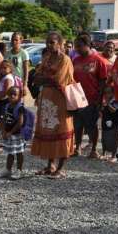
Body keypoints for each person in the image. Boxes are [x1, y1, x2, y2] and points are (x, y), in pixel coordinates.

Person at [31, 31, 75, 179]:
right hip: (47, 100)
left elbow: (58, 80)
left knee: (62, 129)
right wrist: (45, 78)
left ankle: (61, 168)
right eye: (47, 42)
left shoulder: (65, 59)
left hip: (60, 101)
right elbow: (36, 77)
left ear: (60, 44)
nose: (49, 45)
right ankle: (50, 165)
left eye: (52, 42)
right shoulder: (47, 58)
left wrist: (44, 78)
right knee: (48, 130)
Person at [72, 34, 108, 158]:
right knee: (78, 124)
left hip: (92, 98)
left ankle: (93, 149)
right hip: (78, 98)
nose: (77, 49)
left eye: (79, 46)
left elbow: (103, 80)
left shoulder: (98, 60)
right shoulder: (75, 60)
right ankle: (77, 147)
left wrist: (100, 99)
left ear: (87, 45)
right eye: (76, 46)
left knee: (92, 125)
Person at [0, 86, 25, 180]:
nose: (12, 96)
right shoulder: (7, 106)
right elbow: (4, 119)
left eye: (15, 94)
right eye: (10, 94)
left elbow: (20, 122)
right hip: (8, 134)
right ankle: (8, 169)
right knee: (10, 152)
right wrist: (3, 131)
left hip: (17, 134)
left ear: (19, 96)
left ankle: (19, 170)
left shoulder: (20, 107)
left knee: (19, 152)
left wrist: (11, 132)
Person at [4, 32, 29, 96]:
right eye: (12, 40)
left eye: (16, 40)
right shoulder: (7, 53)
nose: (14, 42)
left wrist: (25, 85)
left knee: (19, 102)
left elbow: (26, 70)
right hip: (9, 81)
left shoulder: (24, 53)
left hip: (19, 81)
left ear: (21, 40)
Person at [101, 86, 118, 163]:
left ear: (113, 93)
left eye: (108, 93)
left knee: (114, 138)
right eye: (105, 93)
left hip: (114, 124)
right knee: (104, 138)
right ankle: (103, 153)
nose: (106, 95)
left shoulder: (115, 101)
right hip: (105, 123)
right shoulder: (104, 102)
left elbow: (113, 110)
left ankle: (113, 155)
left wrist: (108, 103)